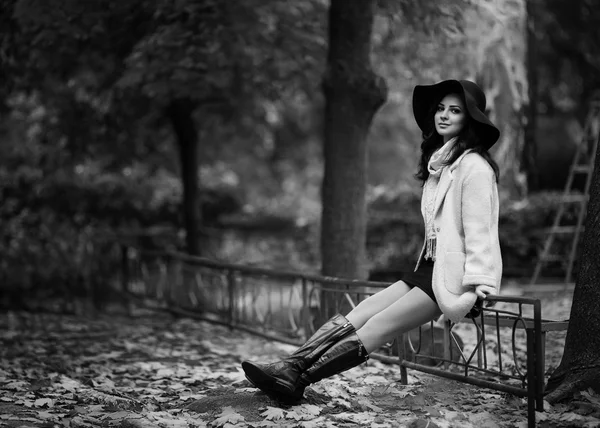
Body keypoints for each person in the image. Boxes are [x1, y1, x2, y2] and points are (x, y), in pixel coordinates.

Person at [242, 79, 503, 401]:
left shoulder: (474, 167)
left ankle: (298, 381)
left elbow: (480, 230)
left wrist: (481, 284)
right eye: (440, 109)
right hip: (428, 267)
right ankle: (290, 366)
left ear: (470, 118)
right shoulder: (444, 164)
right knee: (363, 310)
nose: (444, 116)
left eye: (455, 111)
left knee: (378, 327)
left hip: (451, 276)